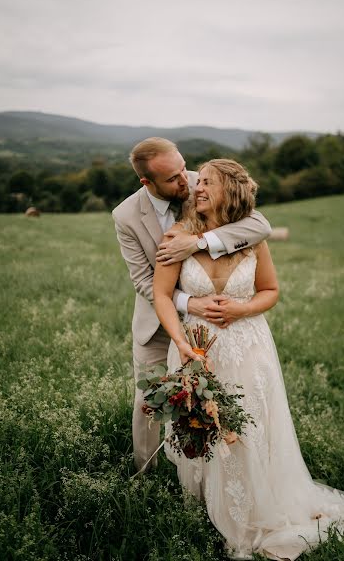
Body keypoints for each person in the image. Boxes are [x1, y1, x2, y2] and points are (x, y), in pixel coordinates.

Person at [153, 159, 344, 561]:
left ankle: (255, 506)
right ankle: (206, 505)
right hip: (196, 346)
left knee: (250, 423)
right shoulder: (179, 236)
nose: (198, 187)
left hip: (249, 345)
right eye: (199, 182)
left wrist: (242, 309)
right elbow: (162, 296)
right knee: (202, 422)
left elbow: (270, 290)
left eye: (208, 183)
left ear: (230, 192)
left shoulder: (252, 237)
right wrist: (181, 342)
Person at [112, 138, 272, 471]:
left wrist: (197, 243)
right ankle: (146, 474)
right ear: (147, 182)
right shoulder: (126, 216)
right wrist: (191, 303)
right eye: (173, 178)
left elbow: (259, 225)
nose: (186, 180)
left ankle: (218, 468)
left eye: (184, 167)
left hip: (213, 325)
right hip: (160, 321)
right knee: (150, 399)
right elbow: (144, 281)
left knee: (218, 394)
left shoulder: (204, 183)